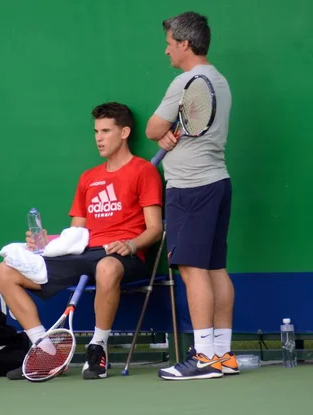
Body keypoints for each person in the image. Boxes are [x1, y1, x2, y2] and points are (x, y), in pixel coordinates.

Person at [0, 102, 163, 380]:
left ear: (124, 133)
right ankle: (45, 350)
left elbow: (155, 228)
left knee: (106, 267)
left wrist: (131, 244)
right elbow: (76, 233)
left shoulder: (143, 171)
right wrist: (45, 242)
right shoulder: (88, 177)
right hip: (84, 254)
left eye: (106, 131)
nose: (98, 137)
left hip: (123, 256)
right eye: (96, 131)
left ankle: (98, 348)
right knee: (5, 271)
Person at [145, 12, 237, 380]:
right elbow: (168, 130)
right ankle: (222, 355)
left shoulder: (185, 81)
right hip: (217, 183)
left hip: (190, 188)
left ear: (184, 44)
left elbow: (153, 127)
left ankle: (202, 358)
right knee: (215, 269)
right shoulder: (220, 80)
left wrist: (162, 132)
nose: (166, 50)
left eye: (169, 43)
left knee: (192, 270)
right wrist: (168, 133)